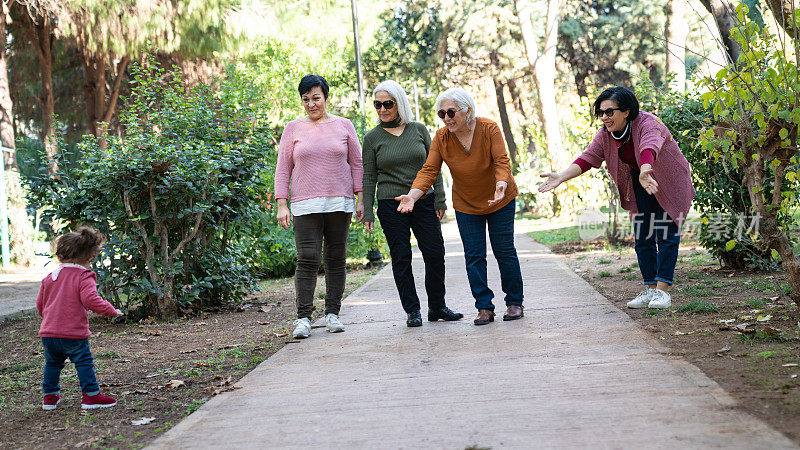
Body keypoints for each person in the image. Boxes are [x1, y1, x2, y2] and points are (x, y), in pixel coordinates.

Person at [539, 86, 695, 309]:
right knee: (643, 234)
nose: (604, 117)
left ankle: (662, 292)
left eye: (609, 112)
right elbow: (588, 157)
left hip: (668, 178)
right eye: (601, 113)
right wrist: (562, 176)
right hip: (640, 180)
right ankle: (650, 289)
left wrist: (645, 168)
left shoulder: (648, 123)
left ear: (627, 111)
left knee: (666, 233)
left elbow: (649, 146)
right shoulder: (605, 134)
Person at [396, 87, 524, 326]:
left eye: (451, 112)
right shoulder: (441, 137)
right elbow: (429, 170)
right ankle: (484, 307)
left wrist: (500, 185)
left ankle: (515, 302)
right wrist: (413, 196)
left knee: (504, 250)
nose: (446, 118)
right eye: (441, 113)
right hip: (467, 203)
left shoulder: (488, 128)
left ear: (467, 111)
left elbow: (502, 161)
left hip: (500, 198)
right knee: (474, 256)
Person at [361, 80, 463, 327]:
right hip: (390, 204)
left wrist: (439, 198)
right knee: (401, 257)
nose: (382, 109)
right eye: (377, 104)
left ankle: (437, 306)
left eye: (388, 104)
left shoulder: (418, 130)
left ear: (399, 103)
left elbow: (433, 166)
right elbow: (369, 176)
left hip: (423, 201)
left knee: (435, 253)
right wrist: (367, 211)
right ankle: (412, 310)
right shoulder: (372, 138)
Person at [275, 74, 364, 339]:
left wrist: (360, 198)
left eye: (316, 98)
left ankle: (332, 314)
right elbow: (283, 168)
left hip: (340, 201)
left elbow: (357, 164)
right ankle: (303, 318)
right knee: (308, 258)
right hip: (304, 203)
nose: (311, 104)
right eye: (306, 99)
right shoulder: (293, 128)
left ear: (326, 97)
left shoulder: (344, 125)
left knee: (335, 258)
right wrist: (282, 204)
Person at [36, 227, 123, 411]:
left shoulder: (49, 276)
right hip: (73, 332)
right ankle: (91, 396)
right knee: (83, 362)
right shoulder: (83, 276)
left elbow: (40, 305)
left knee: (52, 364)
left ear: (60, 254)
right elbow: (91, 300)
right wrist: (111, 310)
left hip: (49, 333)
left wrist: (50, 320)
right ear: (89, 256)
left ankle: (49, 398)